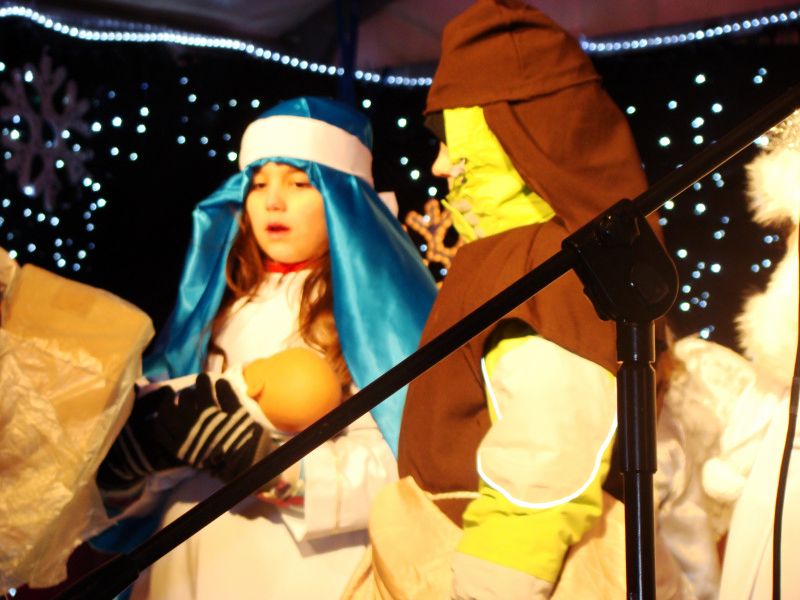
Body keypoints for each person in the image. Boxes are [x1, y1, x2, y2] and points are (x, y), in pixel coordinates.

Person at [344, 2, 682, 598]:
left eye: (453, 139)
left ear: (517, 136)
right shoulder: (518, 262)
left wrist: (487, 587)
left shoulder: (548, 268)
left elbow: (548, 456)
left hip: (488, 572)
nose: (440, 165)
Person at [95, 96, 437, 599]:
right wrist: (142, 457)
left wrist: (282, 473)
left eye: (299, 183)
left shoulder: (376, 317)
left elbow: (410, 467)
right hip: (188, 567)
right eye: (257, 184)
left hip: (302, 573)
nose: (273, 201)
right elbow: (170, 461)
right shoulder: (216, 307)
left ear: (341, 200)